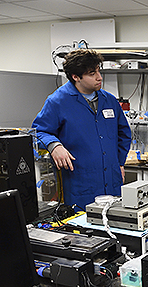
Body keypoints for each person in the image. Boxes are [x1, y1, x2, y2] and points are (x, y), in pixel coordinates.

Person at [32, 49, 131, 210]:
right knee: (83, 231)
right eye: (92, 73)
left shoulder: (110, 100)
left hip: (111, 182)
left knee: (115, 225)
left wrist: (119, 163)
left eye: (99, 70)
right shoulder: (57, 101)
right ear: (75, 77)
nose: (99, 77)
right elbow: (37, 133)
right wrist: (54, 145)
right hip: (80, 184)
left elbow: (124, 134)